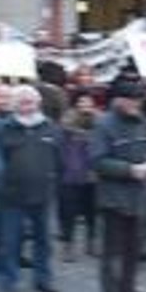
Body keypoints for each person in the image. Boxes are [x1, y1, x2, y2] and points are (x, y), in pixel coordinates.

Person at [91, 78, 146, 292]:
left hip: (138, 196)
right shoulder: (103, 125)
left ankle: (128, 289)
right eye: (131, 100)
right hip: (114, 198)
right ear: (118, 100)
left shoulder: (142, 121)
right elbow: (98, 161)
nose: (136, 105)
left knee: (133, 248)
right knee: (112, 251)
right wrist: (130, 170)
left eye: (138, 100)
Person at [0, 86, 63, 292]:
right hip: (11, 197)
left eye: (30, 101)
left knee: (44, 240)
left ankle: (43, 279)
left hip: (43, 195)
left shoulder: (51, 128)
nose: (27, 106)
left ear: (38, 103)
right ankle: (8, 286)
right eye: (22, 102)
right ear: (14, 105)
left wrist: (54, 182)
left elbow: (59, 159)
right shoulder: (3, 129)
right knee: (9, 244)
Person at [58, 91, 100, 263]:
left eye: (89, 102)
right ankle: (68, 246)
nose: (85, 105)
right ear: (76, 104)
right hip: (71, 174)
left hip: (92, 175)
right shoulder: (67, 123)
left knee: (92, 211)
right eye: (82, 102)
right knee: (69, 213)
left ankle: (92, 243)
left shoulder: (99, 122)